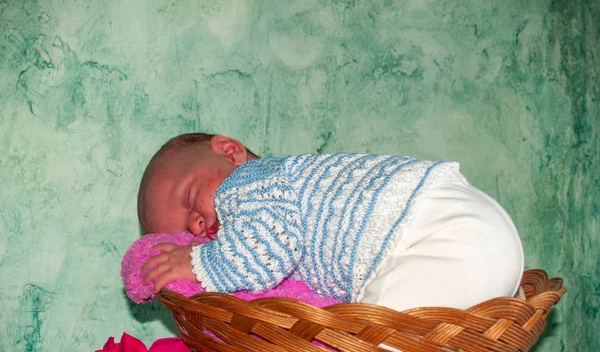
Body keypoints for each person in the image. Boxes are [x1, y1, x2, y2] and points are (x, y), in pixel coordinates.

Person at [138, 133, 524, 312]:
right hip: (471, 240)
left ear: (230, 152)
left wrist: (196, 261)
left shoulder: (252, 182)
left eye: (190, 199)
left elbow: (263, 250)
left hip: (434, 231)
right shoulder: (292, 195)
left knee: (368, 348)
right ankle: (501, 305)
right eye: (186, 232)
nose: (198, 226)